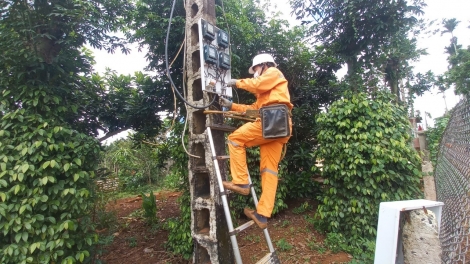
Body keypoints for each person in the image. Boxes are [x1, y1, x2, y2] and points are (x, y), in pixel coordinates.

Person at [219, 53, 293, 229]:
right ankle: (262, 214)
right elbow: (253, 109)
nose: (255, 74)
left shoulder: (274, 72)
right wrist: (232, 106)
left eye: (256, 69)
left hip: (272, 122)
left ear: (264, 65)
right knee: (269, 171)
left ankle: (241, 181)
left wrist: (237, 82)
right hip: (280, 127)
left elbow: (257, 84)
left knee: (235, 139)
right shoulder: (268, 91)